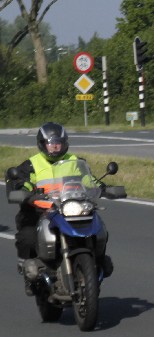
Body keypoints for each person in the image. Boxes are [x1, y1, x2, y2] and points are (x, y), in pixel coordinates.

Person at [6, 122, 107, 295]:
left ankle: (99, 262)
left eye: (58, 142)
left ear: (65, 143)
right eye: (50, 143)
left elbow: (89, 180)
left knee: (99, 229)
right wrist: (24, 191)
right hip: (40, 211)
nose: (55, 146)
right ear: (42, 144)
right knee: (27, 237)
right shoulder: (31, 164)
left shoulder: (75, 161)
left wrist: (102, 187)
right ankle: (29, 275)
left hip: (69, 209)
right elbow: (22, 182)